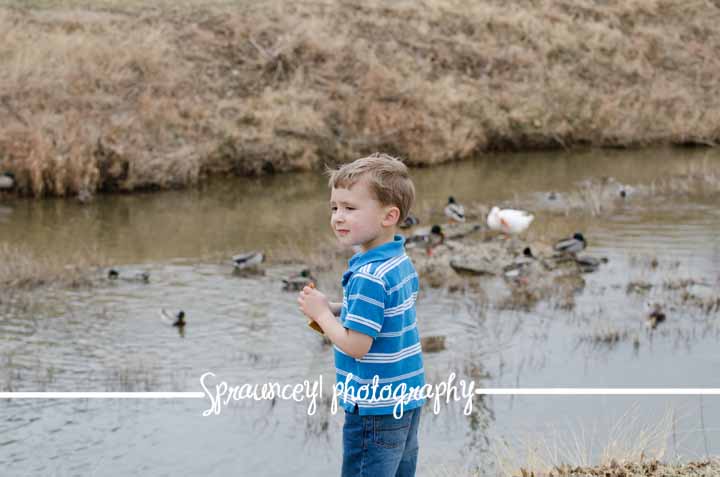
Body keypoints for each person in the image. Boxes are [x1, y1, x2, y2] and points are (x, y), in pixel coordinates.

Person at [298, 153, 425, 477]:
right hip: (406, 395)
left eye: (350, 208)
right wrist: (334, 309)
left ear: (389, 216)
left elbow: (357, 346)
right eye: (334, 208)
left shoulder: (368, 275)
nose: (338, 218)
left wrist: (322, 317)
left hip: (374, 405)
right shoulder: (397, 260)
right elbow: (388, 314)